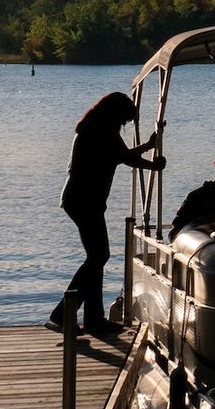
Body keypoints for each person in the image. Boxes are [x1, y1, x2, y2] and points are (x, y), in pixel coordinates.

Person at [55, 91, 163, 334]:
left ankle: (93, 319)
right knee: (99, 256)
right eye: (124, 120)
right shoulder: (101, 131)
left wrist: (147, 147)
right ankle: (63, 314)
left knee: (97, 257)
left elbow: (119, 155)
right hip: (85, 201)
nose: (123, 125)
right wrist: (153, 165)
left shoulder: (96, 127)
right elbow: (124, 157)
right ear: (115, 114)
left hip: (81, 199)